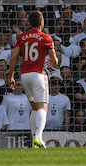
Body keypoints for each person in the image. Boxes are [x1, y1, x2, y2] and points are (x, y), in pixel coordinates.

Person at [5, 10, 57, 148]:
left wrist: (10, 75)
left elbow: (14, 57)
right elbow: (54, 61)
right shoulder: (46, 37)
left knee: (34, 107)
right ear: (41, 22)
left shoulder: (22, 37)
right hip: (38, 74)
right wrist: (54, 61)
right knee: (43, 107)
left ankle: (34, 138)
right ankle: (39, 137)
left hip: (24, 75)